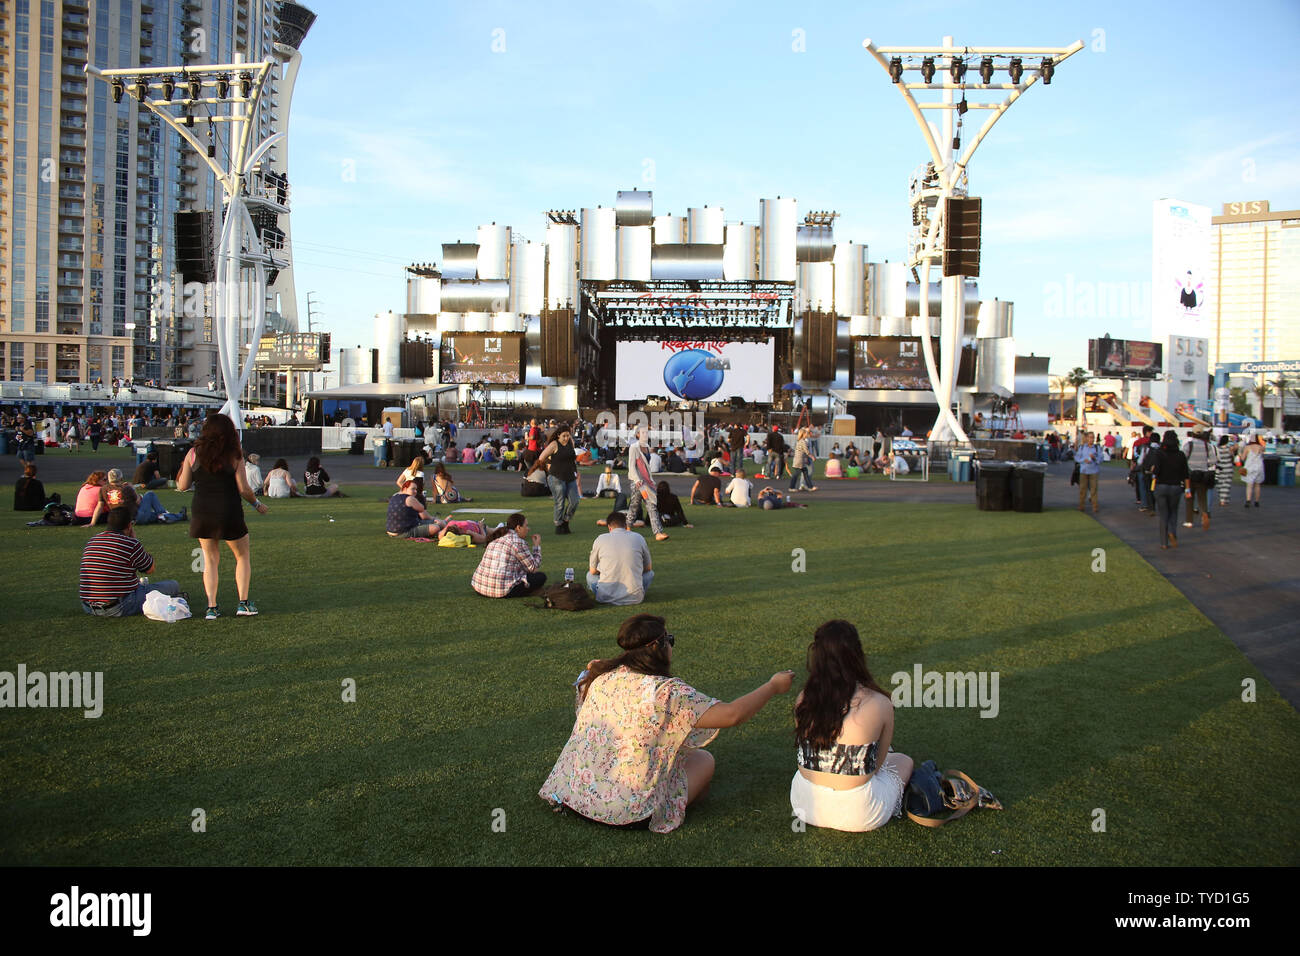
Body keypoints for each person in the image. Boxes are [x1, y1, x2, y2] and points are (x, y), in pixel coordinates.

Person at [539, 614, 795, 834]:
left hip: (573, 794)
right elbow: (732, 715)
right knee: (704, 760)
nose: (672, 646)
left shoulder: (600, 677)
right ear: (655, 646)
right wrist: (773, 686)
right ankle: (669, 803)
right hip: (626, 812)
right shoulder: (667, 692)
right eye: (669, 640)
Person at [791, 620, 913, 832]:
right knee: (903, 761)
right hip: (860, 812)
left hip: (804, 802)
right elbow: (877, 766)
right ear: (857, 654)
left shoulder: (803, 699)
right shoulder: (879, 703)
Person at [177, 413, 269, 619]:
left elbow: (182, 486)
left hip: (202, 510)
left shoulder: (193, 453)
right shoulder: (234, 454)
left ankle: (212, 607)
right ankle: (243, 603)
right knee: (242, 556)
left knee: (209, 560)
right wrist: (257, 504)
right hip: (228, 509)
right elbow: (244, 489)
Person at [79, 506, 184, 617]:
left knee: (136, 583)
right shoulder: (130, 544)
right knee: (173, 585)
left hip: (88, 606)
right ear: (129, 525)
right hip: (119, 606)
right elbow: (150, 569)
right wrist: (134, 540)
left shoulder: (93, 540)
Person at [470, 512, 545, 597]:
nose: (528, 529)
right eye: (526, 526)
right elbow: (533, 567)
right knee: (540, 577)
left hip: (479, 586)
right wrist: (536, 546)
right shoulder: (518, 542)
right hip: (500, 590)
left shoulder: (497, 538)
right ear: (518, 528)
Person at [587, 512, 654, 605]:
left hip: (605, 597)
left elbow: (593, 571)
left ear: (609, 527)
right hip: (635, 598)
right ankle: (636, 591)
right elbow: (648, 568)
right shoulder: (638, 537)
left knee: (590, 576)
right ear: (625, 525)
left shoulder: (600, 539)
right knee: (650, 574)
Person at [1145, 430, 1190, 550]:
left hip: (1161, 486)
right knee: (1173, 512)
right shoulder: (1180, 455)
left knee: (1163, 514)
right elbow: (1185, 474)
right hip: (1175, 487)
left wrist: (1153, 470)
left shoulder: (1159, 453)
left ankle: (1164, 543)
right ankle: (1172, 532)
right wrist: (1187, 490)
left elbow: (1156, 471)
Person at [535, 424, 582, 535]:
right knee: (560, 502)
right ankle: (558, 525)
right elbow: (541, 457)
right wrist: (549, 465)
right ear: (558, 435)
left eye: (568, 435)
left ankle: (566, 520)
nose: (566, 438)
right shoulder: (554, 444)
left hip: (570, 476)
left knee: (575, 501)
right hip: (556, 477)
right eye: (564, 436)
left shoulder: (570, 443)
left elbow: (572, 459)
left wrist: (575, 470)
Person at [1183, 431, 1218, 530]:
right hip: (1203, 475)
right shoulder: (1208, 446)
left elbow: (1183, 457)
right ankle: (1204, 514)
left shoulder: (1188, 445)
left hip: (1190, 475)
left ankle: (1189, 521)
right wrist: (1206, 464)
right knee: (1202, 498)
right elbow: (1213, 460)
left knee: (1189, 498)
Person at [1075, 431, 1102, 513]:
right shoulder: (1082, 447)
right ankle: (1081, 505)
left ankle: (1095, 506)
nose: (1092, 439)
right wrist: (1083, 460)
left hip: (1093, 470)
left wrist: (1094, 458)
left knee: (1093, 489)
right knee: (1082, 489)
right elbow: (1077, 457)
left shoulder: (1097, 448)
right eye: (1090, 437)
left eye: (1093, 437)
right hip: (1084, 470)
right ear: (1087, 438)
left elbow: (1100, 459)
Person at [1238, 434, 1265, 508]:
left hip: (1250, 467)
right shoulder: (1261, 448)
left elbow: (1243, 458)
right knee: (1257, 484)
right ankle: (1257, 501)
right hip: (1259, 467)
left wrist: (1240, 455)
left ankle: (1248, 500)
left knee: (1249, 485)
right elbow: (1263, 456)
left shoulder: (1247, 447)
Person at [789, 427, 817, 492]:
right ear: (803, 434)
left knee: (805, 473)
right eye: (806, 433)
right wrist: (812, 457)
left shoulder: (800, 441)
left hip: (799, 460)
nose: (807, 435)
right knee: (796, 474)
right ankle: (791, 487)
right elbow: (806, 451)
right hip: (799, 460)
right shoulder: (802, 442)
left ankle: (810, 487)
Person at [1215, 434, 1237, 508]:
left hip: (1220, 468)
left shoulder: (1217, 448)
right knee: (1226, 485)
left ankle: (1223, 499)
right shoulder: (1229, 448)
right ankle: (1224, 500)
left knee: (1220, 485)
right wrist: (1234, 440)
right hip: (1228, 468)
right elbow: (1233, 455)